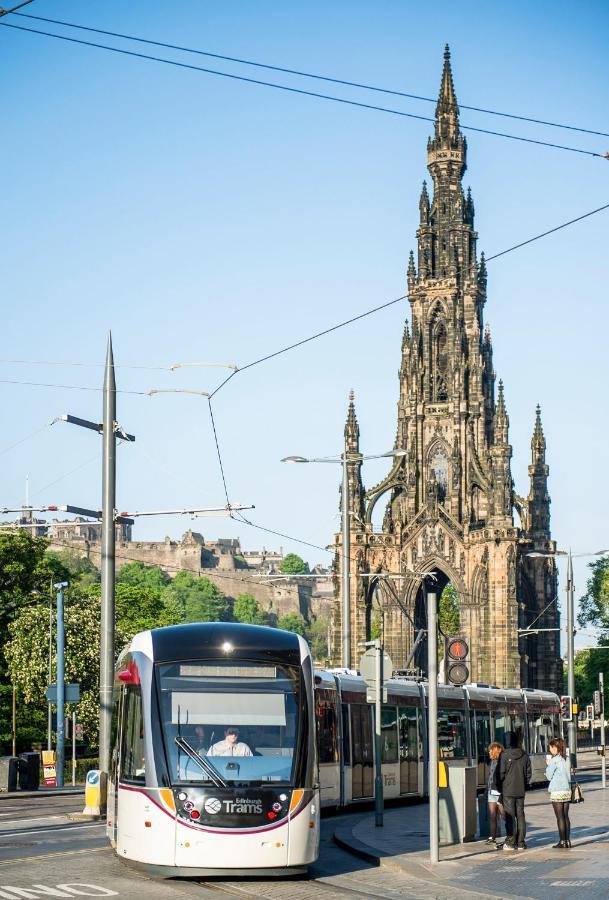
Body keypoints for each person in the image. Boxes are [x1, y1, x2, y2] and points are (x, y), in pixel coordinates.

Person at [499, 731, 531, 851]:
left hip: (508, 790)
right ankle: (521, 842)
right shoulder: (524, 755)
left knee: (510, 816)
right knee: (520, 815)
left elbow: (501, 773)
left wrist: (500, 785)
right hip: (520, 790)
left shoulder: (504, 755)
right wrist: (525, 784)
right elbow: (528, 774)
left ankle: (511, 842)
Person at [545, 737, 572, 848]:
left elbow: (548, 776)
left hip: (557, 791)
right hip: (567, 790)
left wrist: (548, 764)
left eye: (551, 747)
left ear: (555, 747)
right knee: (565, 816)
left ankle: (562, 841)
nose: (550, 750)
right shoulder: (567, 758)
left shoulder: (554, 760)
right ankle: (567, 841)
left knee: (559, 817)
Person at [485, 742, 506, 846]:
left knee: (504, 815)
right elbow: (490, 776)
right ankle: (492, 836)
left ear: (495, 751)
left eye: (490, 750)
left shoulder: (502, 761)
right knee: (492, 815)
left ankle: (511, 835)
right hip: (491, 791)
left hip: (499, 792)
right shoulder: (492, 761)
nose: (488, 752)